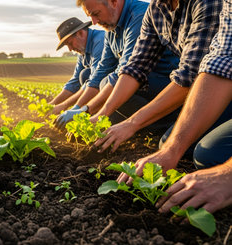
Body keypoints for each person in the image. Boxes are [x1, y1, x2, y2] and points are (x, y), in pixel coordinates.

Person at [119, 0, 232, 214]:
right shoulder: (156, 9)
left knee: (211, 156)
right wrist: (171, 150)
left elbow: (190, 73)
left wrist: (228, 173)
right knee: (188, 148)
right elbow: (223, 59)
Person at [93, 0, 224, 153]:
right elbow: (137, 66)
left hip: (220, 89)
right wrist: (101, 114)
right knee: (171, 139)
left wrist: (132, 123)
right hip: (196, 89)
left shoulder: (206, 3)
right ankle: (176, 121)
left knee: (203, 153)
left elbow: (190, 76)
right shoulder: (156, 9)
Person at [55, 0, 179, 130]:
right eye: (90, 16)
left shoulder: (139, 16)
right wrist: (78, 108)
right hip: (145, 81)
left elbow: (130, 70)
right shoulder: (110, 29)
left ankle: (162, 124)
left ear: (114, 2)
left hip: (169, 82)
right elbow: (103, 70)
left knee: (110, 85)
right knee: (102, 82)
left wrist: (88, 110)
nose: (94, 22)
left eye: (96, 14)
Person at [50, 17, 105, 114]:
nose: (70, 49)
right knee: (83, 75)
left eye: (70, 43)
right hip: (101, 86)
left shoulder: (100, 42)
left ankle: (98, 112)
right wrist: (52, 104)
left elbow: (95, 81)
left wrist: (69, 107)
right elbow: (74, 82)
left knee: (86, 74)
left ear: (80, 33)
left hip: (119, 87)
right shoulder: (82, 50)